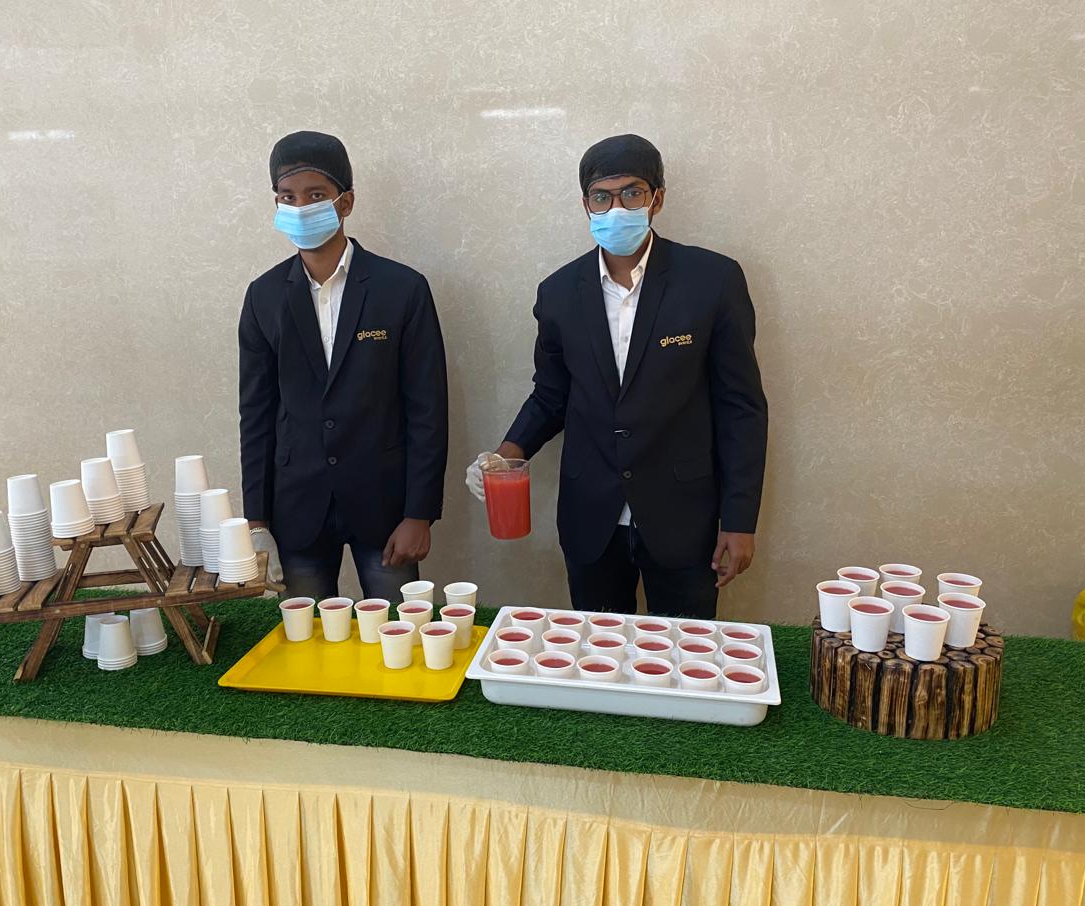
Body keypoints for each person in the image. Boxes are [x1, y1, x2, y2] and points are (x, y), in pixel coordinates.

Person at [467, 134, 768, 619]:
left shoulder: (712, 280)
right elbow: (551, 395)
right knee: (598, 648)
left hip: (683, 516)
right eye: (601, 197)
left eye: (631, 193)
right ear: (585, 204)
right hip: (591, 515)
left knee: (684, 650)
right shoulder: (559, 292)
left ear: (657, 199)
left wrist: (739, 520)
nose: (616, 208)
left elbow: (741, 408)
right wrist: (506, 454)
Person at [240, 131, 448, 601]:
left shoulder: (402, 289)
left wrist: (420, 513)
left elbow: (428, 409)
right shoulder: (263, 297)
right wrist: (256, 521)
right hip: (297, 507)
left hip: (385, 507)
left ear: (346, 202)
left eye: (315, 195)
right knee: (308, 634)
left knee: (398, 630)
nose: (300, 207)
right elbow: (255, 414)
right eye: (288, 197)